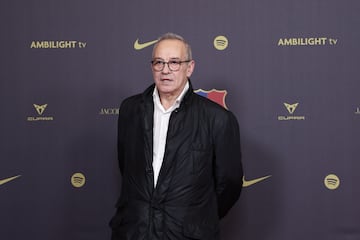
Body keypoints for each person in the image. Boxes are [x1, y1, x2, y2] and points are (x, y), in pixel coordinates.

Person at [110, 32, 243, 240]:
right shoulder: (130, 110)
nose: (165, 70)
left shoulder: (218, 119)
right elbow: (126, 167)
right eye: (159, 63)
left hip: (187, 234)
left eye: (174, 63)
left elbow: (230, 184)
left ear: (189, 68)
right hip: (134, 232)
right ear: (152, 66)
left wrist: (198, 217)